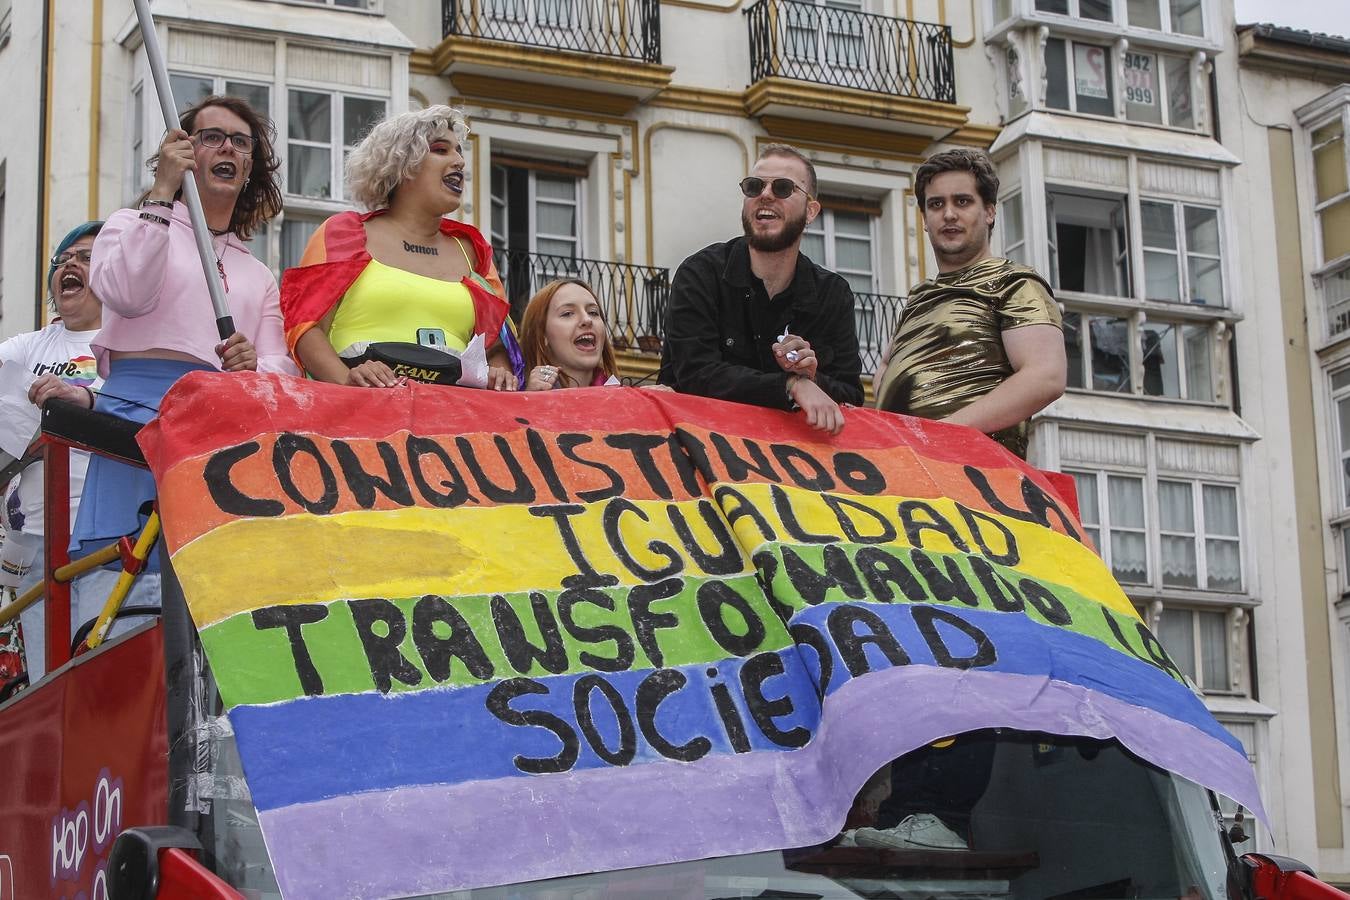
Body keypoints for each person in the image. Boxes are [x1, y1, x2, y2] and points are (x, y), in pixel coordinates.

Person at [75, 95, 295, 590]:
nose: (228, 149)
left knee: (206, 581)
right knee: (123, 581)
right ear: (183, 150)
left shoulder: (257, 273)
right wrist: (162, 191)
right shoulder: (128, 225)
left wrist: (255, 364)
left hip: (218, 428)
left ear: (250, 166)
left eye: (241, 142)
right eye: (211, 137)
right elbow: (128, 294)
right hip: (135, 413)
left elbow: (284, 367)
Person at [281, 106, 522, 391]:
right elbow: (305, 328)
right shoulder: (343, 233)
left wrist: (499, 374)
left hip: (452, 417)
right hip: (363, 412)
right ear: (402, 163)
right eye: (441, 150)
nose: (459, 161)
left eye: (459, 152)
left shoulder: (472, 250)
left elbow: (497, 346)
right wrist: (347, 379)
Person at [658, 144, 864, 435]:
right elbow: (695, 375)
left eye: (783, 188)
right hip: (699, 459)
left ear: (811, 211)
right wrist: (791, 385)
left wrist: (811, 377)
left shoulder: (833, 294)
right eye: (754, 186)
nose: (765, 194)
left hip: (795, 469)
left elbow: (851, 397)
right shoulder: (700, 274)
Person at [873, 149, 1065, 458]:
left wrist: (942, 434)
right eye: (936, 204)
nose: (948, 214)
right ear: (924, 219)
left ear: (989, 212)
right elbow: (887, 376)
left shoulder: (1014, 282)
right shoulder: (917, 299)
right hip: (903, 476)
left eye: (962, 201)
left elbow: (1046, 376)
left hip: (978, 479)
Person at [1, 222, 110, 681]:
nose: (70, 264)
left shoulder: (130, 345)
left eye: (86, 257)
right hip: (33, 542)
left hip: (104, 536)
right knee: (47, 682)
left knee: (100, 674)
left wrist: (83, 403)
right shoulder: (26, 346)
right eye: (64, 259)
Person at [520, 279, 672, 392]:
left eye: (593, 312)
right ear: (542, 335)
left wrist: (652, 406)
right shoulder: (517, 398)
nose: (587, 320)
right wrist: (530, 403)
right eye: (567, 313)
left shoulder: (627, 403)